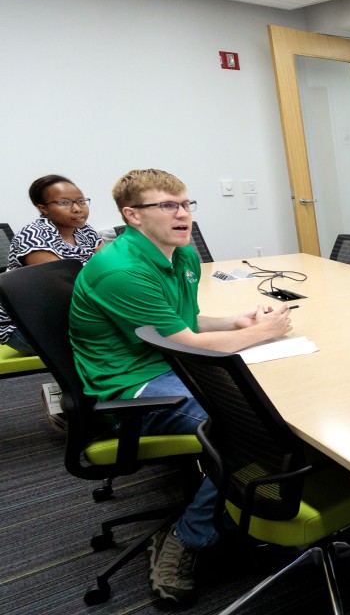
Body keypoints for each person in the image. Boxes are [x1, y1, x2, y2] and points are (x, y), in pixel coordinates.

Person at [69, 168, 291, 605]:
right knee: (250, 426)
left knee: (277, 398)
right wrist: (263, 333)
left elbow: (181, 323)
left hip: (171, 363)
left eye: (186, 204)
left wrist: (236, 322)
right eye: (167, 206)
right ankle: (187, 538)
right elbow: (186, 345)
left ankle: (229, 507)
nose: (183, 214)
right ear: (132, 216)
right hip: (130, 385)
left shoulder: (182, 253)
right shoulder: (121, 271)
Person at [0, 174, 103, 355]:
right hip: (25, 324)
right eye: (65, 203)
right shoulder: (33, 235)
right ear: (43, 208)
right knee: (114, 345)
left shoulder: (85, 231)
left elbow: (111, 268)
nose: (78, 209)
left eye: (81, 201)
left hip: (72, 315)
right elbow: (62, 290)